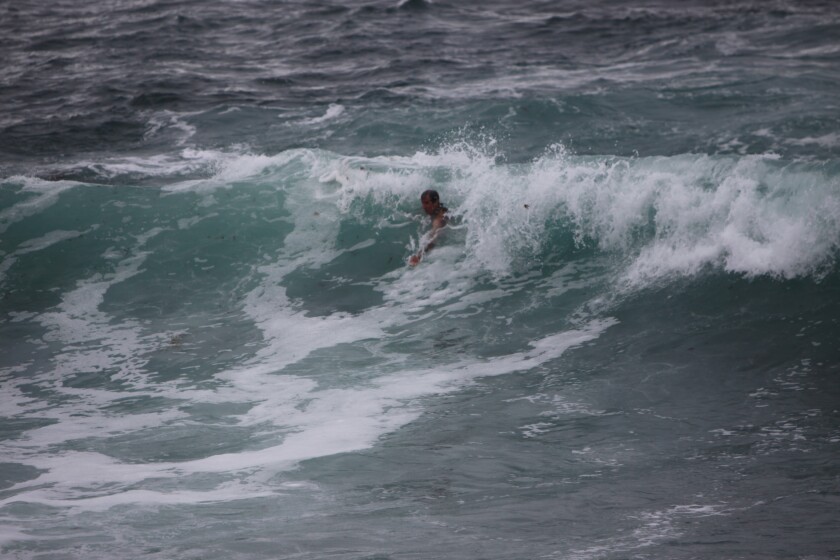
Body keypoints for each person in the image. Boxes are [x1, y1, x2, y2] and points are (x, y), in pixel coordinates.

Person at [409, 189, 447, 266]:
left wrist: (419, 256)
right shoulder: (431, 210)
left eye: (426, 203)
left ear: (436, 202)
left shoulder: (439, 218)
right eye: (422, 203)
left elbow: (433, 237)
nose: (424, 206)